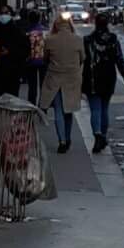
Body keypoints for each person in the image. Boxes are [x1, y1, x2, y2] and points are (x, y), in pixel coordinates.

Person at [81, 7, 124, 152]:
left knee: (95, 109)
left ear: (95, 24)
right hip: (108, 78)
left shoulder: (88, 40)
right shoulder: (112, 40)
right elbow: (119, 60)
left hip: (91, 78)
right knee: (104, 108)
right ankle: (102, 135)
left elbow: (81, 62)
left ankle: (98, 135)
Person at [40, 11, 84, 150]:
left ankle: (62, 141)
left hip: (55, 78)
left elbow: (45, 59)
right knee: (68, 110)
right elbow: (82, 58)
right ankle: (68, 137)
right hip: (71, 78)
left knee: (59, 109)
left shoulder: (50, 40)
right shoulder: (77, 39)